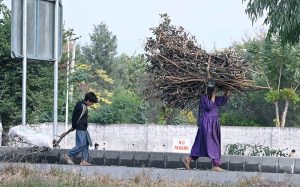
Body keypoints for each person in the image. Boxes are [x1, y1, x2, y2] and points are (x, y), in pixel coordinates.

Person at [182, 86, 230, 172]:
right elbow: (209, 105)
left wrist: (227, 91)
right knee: (213, 142)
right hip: (206, 123)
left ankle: (188, 159)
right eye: (212, 90)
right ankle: (216, 164)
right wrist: (214, 93)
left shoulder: (213, 97)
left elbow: (222, 101)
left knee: (201, 144)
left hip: (213, 123)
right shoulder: (204, 97)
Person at [63, 92, 98, 166]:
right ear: (88, 101)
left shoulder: (82, 105)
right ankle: (68, 156)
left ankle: (84, 161)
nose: (91, 105)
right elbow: (77, 117)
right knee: (81, 145)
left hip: (84, 128)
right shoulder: (82, 106)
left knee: (85, 144)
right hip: (80, 128)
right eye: (91, 103)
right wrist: (74, 126)